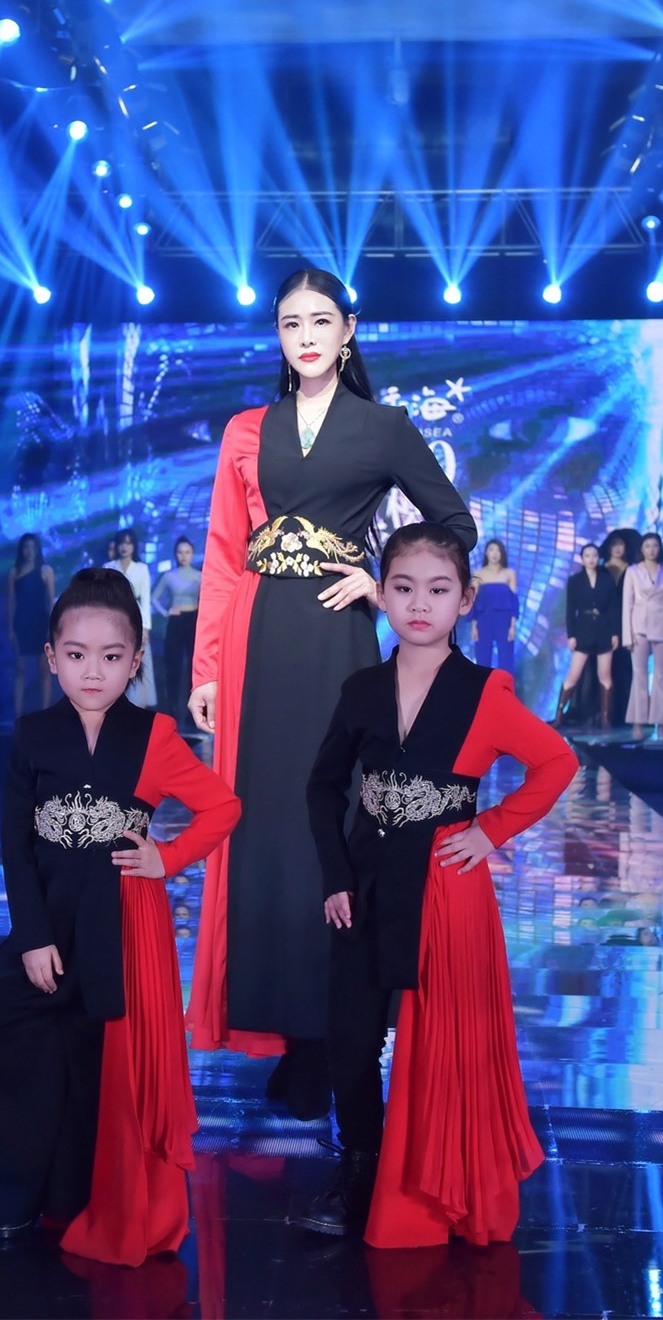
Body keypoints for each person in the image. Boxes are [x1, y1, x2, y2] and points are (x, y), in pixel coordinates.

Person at [186, 265, 477, 1119]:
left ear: (347, 330)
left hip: (336, 642)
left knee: (331, 819)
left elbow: (454, 525)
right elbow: (223, 552)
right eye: (290, 323)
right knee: (263, 823)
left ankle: (329, 1030)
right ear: (277, 336)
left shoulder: (383, 428)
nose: (305, 336)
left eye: (320, 320)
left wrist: (382, 585)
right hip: (256, 639)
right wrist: (206, 668)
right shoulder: (248, 430)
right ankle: (283, 1029)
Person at [298, 524, 577, 1245]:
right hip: (362, 881)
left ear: (465, 599)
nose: (419, 604)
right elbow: (323, 787)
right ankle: (360, 1163)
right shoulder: (361, 689)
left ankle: (434, 1174)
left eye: (438, 589)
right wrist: (335, 874)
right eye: (403, 587)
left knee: (446, 1040)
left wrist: (490, 830)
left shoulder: (483, 693)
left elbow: (557, 762)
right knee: (351, 1035)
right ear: (382, 594)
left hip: (445, 888)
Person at [0, 568, 240, 1267]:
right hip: (48, 923)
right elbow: (15, 844)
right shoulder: (32, 735)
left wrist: (166, 858)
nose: (93, 671)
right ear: (51, 656)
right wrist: (31, 936)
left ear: (136, 660)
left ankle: (91, 1199)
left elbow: (223, 807)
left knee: (101, 1064)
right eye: (76, 654)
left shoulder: (154, 735)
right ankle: (10, 1199)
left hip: (123, 929)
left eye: (111, 656)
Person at [622, 532, 663, 740]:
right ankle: (638, 721)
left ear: (660, 548)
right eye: (647, 546)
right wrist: (627, 636)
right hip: (639, 627)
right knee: (638, 674)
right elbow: (627, 605)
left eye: (655, 546)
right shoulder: (632, 571)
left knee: (661, 675)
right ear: (642, 549)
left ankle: (661, 723)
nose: (651, 550)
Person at [553, 543, 621, 728]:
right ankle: (559, 716)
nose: (591, 559)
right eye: (587, 556)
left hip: (604, 629)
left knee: (605, 674)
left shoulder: (607, 580)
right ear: (582, 559)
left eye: (594, 555)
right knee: (573, 674)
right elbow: (570, 610)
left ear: (598, 558)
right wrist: (571, 635)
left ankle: (605, 718)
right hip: (583, 630)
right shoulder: (575, 580)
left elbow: (614, 608)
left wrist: (615, 633)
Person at [151, 536, 201, 729]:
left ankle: (192, 714)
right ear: (175, 554)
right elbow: (154, 598)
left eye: (187, 552)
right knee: (173, 667)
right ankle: (172, 711)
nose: (183, 556)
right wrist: (166, 612)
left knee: (193, 669)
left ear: (192, 554)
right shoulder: (169, 576)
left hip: (194, 621)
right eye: (180, 552)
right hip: (176, 622)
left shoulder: (200, 576)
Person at [106, 529, 157, 709]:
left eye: (128, 543)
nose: (125, 547)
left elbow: (146, 599)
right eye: (122, 543)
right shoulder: (109, 567)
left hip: (136, 619)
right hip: (112, 620)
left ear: (134, 546)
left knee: (137, 662)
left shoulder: (142, 568)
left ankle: (137, 705)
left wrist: (146, 627)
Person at [9, 534, 56, 717]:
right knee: (20, 669)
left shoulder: (46, 571)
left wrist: (51, 628)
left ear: (37, 549)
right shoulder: (14, 572)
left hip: (41, 623)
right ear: (21, 550)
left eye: (32, 547)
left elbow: (50, 601)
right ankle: (18, 714)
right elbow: (11, 603)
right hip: (22, 624)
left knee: (44, 669)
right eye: (26, 547)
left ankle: (45, 713)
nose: (29, 551)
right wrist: (11, 629)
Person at [601, 530, 635, 726]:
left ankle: (627, 713)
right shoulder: (600, 569)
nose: (617, 548)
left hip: (627, 623)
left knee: (626, 668)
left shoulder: (633, 570)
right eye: (614, 544)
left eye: (621, 544)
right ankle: (603, 715)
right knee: (603, 671)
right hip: (602, 625)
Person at [469, 539, 518, 672]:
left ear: (502, 553)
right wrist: (473, 626)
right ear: (486, 553)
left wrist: (513, 626)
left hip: (504, 621)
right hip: (483, 621)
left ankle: (506, 686)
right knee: (482, 661)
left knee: (506, 661)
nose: (495, 553)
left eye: (498, 550)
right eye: (491, 550)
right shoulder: (478, 574)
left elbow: (514, 601)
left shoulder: (509, 573)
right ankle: (482, 686)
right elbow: (473, 601)